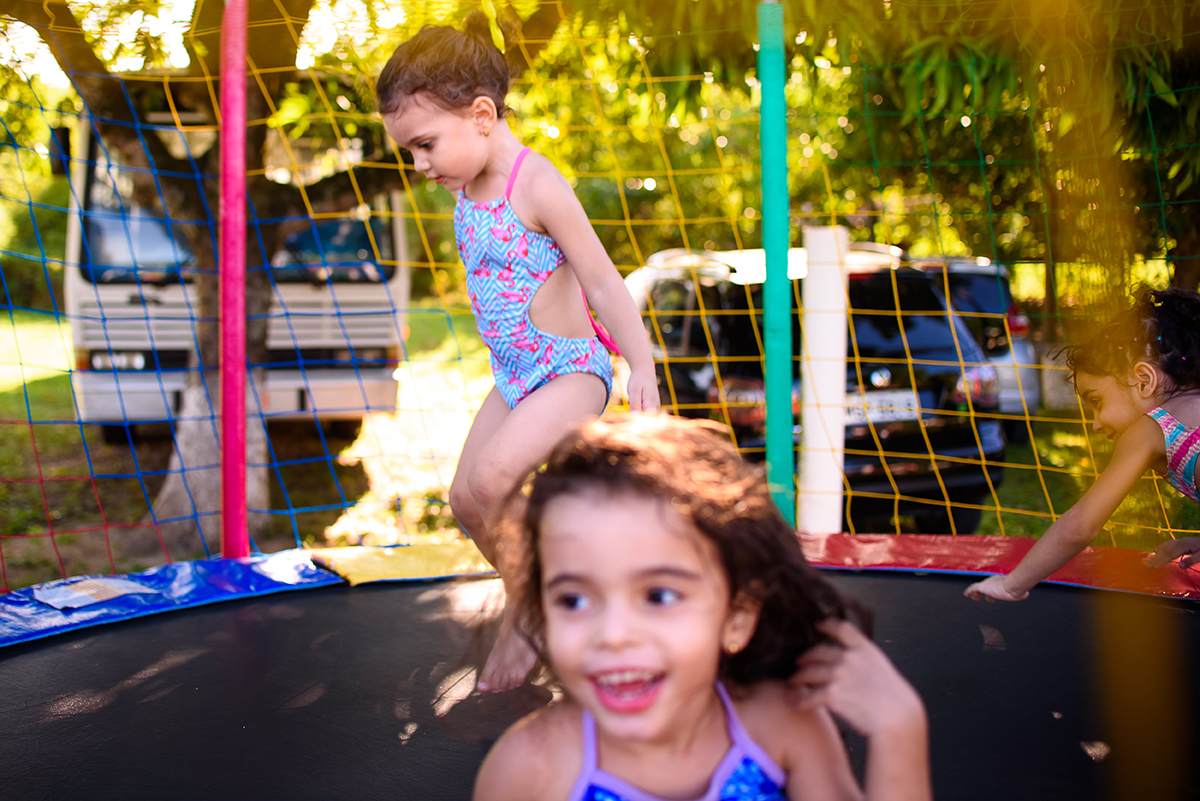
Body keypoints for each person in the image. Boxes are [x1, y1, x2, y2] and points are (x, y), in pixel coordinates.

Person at [376, 13, 659, 692]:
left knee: (493, 477)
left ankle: (535, 609)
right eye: (410, 152)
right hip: (515, 375)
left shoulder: (536, 184)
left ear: (481, 115)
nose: (419, 166)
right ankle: (535, 594)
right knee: (464, 498)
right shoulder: (465, 185)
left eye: (424, 145)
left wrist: (641, 362)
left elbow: (599, 278)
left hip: (568, 368)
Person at [474, 415, 931, 801]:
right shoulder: (530, 770)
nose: (612, 634)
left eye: (659, 596)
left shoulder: (781, 726)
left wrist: (900, 729)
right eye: (573, 600)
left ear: (738, 616)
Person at [965, 288, 1200, 602]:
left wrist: (1012, 584)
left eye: (1097, 402)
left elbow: (1080, 525)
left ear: (1143, 380)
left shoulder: (1152, 428)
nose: (1096, 423)